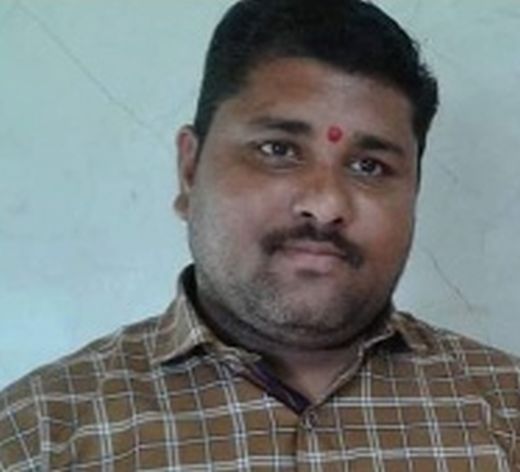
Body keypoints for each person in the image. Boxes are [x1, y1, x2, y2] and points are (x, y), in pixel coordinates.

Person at [1, 0, 519, 469]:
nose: (326, 205)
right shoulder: (36, 438)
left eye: (369, 165)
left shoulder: (507, 412)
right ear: (189, 170)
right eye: (278, 150)